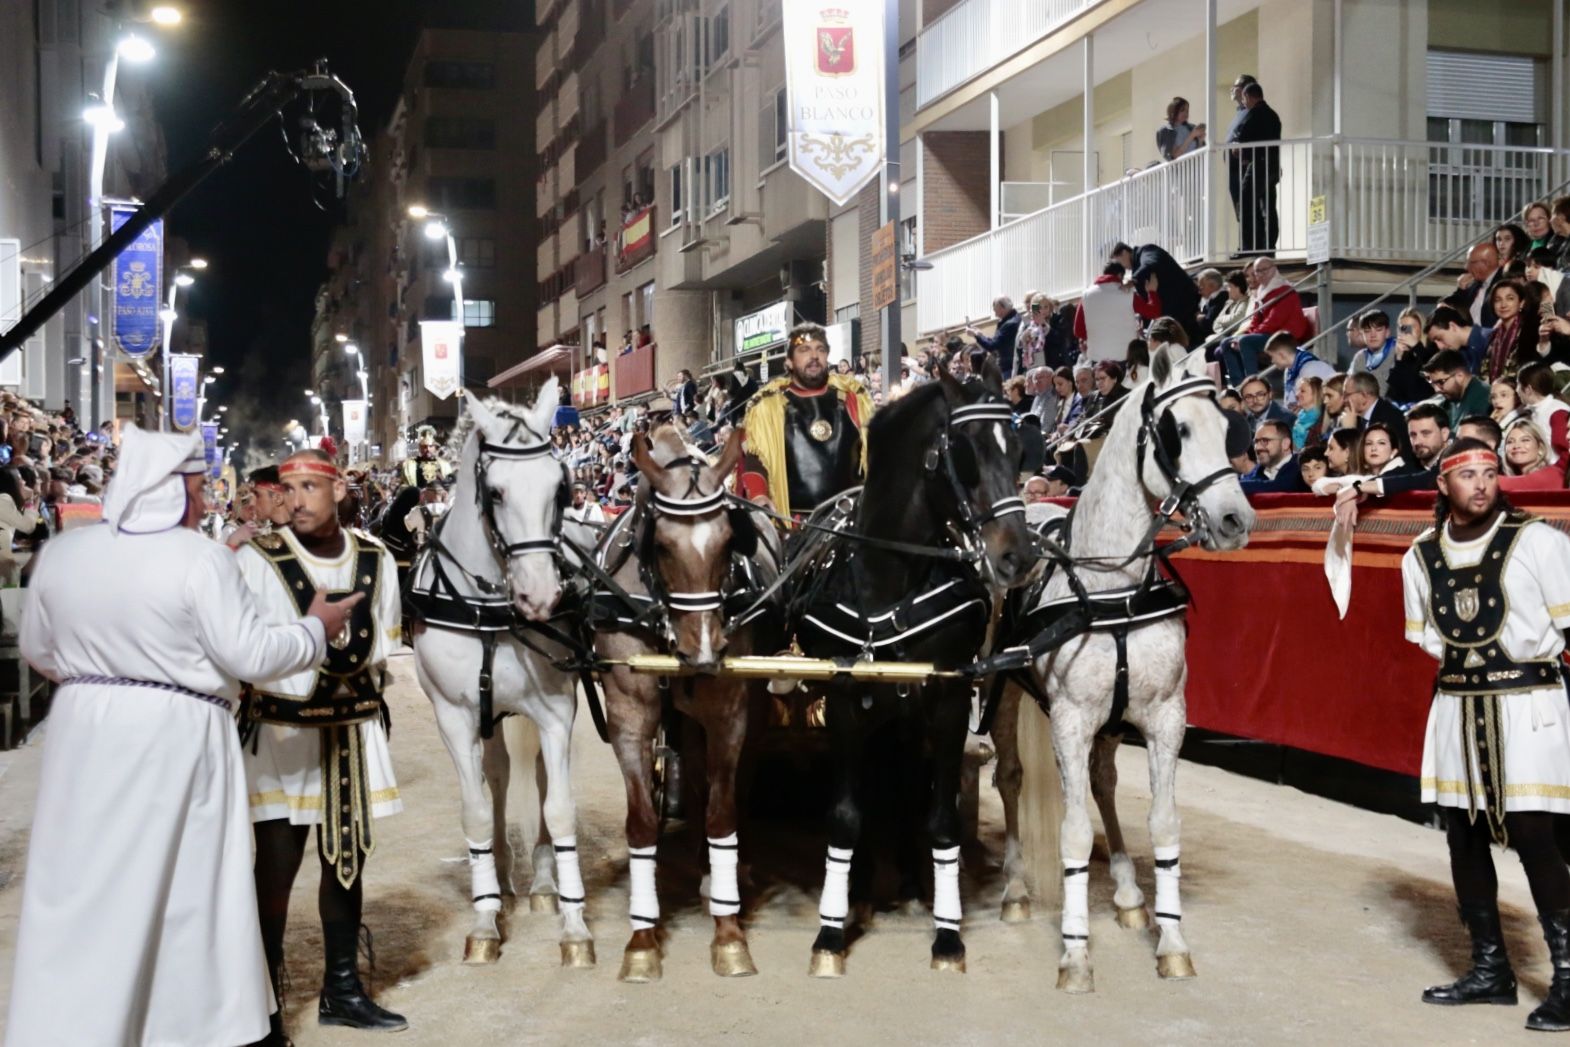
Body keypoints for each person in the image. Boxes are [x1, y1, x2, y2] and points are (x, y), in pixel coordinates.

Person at [8, 426, 357, 1047]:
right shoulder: (198, 558)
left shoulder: (64, 553)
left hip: (82, 734)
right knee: (184, 889)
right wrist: (314, 628)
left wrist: (102, 678)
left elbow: (39, 650)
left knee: (83, 884)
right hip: (175, 737)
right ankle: (186, 1026)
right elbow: (249, 653)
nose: (200, 504)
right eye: (195, 491)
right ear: (171, 492)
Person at [237, 449, 408, 1034]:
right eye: (289, 488)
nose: (298, 499)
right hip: (281, 734)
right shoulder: (257, 560)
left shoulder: (377, 558)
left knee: (346, 864)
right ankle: (261, 1003)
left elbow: (382, 652)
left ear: (338, 490)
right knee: (276, 867)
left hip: (350, 735)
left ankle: (342, 989)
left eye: (312, 486)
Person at [1404, 439, 1570, 1032]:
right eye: (1467, 474)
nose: (1480, 483)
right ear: (1444, 486)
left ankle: (1569, 979)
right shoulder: (1421, 554)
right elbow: (1429, 640)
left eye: (1489, 473)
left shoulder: (1540, 542)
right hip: (1456, 703)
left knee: (1534, 835)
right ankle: (1490, 971)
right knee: (1464, 834)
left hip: (1529, 703)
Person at [741, 322, 873, 518]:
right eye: (804, 350)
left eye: (820, 350)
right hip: (795, 526)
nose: (814, 356)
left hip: (852, 522)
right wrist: (759, 494)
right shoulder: (767, 406)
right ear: (789, 362)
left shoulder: (853, 397)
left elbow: (876, 451)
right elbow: (755, 457)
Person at [1110, 242, 1202, 345]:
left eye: (1120, 262)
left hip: (1182, 304)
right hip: (1171, 310)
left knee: (1189, 341)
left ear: (1124, 252)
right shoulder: (1137, 267)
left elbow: (1151, 262)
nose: (1123, 268)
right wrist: (1142, 321)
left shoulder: (1147, 250)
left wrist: (1132, 281)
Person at [1227, 81, 1282, 252]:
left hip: (1258, 164)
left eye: (1244, 98)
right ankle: (1269, 245)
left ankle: (1249, 246)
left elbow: (1243, 142)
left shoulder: (1253, 115)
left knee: (1245, 202)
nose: (1243, 103)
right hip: (1272, 166)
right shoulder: (1273, 115)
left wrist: (1238, 151)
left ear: (1248, 96)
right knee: (1269, 207)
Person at [1073, 261, 1152, 361]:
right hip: (1125, 356)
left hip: (1096, 358)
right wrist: (1151, 291)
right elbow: (1152, 312)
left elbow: (1078, 331)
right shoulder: (1128, 294)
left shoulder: (1086, 295)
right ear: (1120, 275)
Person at [1421, 349, 1494, 432]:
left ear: (1460, 376)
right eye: (1433, 384)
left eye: (1441, 382)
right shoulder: (1451, 397)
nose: (1437, 390)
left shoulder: (1485, 397)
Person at [1481, 280, 1540, 382]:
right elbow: (1485, 369)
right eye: (1498, 300)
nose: (1503, 305)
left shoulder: (1532, 330)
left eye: (1510, 299)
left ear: (1521, 303)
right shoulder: (1493, 336)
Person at [1264, 332, 1335, 411]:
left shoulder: (1310, 368)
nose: (1272, 361)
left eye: (1272, 357)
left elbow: (1313, 406)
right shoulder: (1289, 369)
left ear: (1282, 355)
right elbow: (1289, 403)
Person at [1517, 361, 1569, 464]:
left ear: (1528, 389)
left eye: (1518, 385)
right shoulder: (1536, 411)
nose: (1516, 390)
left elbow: (1565, 451)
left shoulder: (1557, 411)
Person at [1443, 242, 1503, 329]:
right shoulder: (1474, 285)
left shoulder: (1504, 283)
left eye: (1470, 263)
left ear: (1486, 263)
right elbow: (1454, 307)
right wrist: (1461, 290)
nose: (1466, 267)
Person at [1426, 304, 1496, 376]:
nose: (1439, 346)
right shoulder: (1459, 354)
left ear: (1452, 326)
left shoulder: (1492, 339)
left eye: (1439, 338)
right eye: (1435, 342)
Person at [1498, 416, 1563, 491]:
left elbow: (1519, 484)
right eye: (1510, 442)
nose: (1516, 446)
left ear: (1540, 447)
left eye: (1525, 440)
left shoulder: (1553, 474)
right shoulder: (1513, 477)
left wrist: (1487, 478)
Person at [1239, 419, 1305, 492]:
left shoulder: (1301, 467)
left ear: (1285, 443)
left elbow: (1279, 487)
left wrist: (1233, 486)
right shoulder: (1258, 472)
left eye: (1265, 441)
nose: (1257, 447)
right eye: (1256, 442)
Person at [966, 296, 1022, 378]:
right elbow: (996, 341)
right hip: (1011, 364)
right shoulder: (1012, 319)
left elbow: (992, 346)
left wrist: (976, 335)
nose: (995, 313)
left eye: (995, 309)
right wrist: (980, 335)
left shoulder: (1010, 324)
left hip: (1009, 366)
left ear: (1002, 308)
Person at [1348, 309, 1399, 395]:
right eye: (1367, 331)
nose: (1373, 335)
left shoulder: (1398, 351)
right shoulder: (1360, 357)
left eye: (1378, 330)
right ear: (1362, 334)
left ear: (1387, 332)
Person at [1156, 96, 1205, 161]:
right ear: (1173, 111)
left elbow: (1199, 154)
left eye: (1187, 111)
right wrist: (1191, 136)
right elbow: (1174, 156)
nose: (1186, 113)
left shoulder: (1191, 128)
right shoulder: (1167, 130)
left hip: (1195, 168)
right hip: (1180, 170)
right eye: (1182, 110)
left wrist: (1200, 140)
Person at [1292, 376, 1325, 449]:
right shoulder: (1300, 414)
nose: (1297, 394)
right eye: (1298, 390)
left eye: (1302, 391)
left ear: (1315, 394)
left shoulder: (1320, 419)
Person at [1195, 268, 1229, 339]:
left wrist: (1200, 318)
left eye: (1201, 288)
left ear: (1212, 285)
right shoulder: (1212, 300)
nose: (1199, 292)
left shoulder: (1222, 298)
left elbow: (1211, 323)